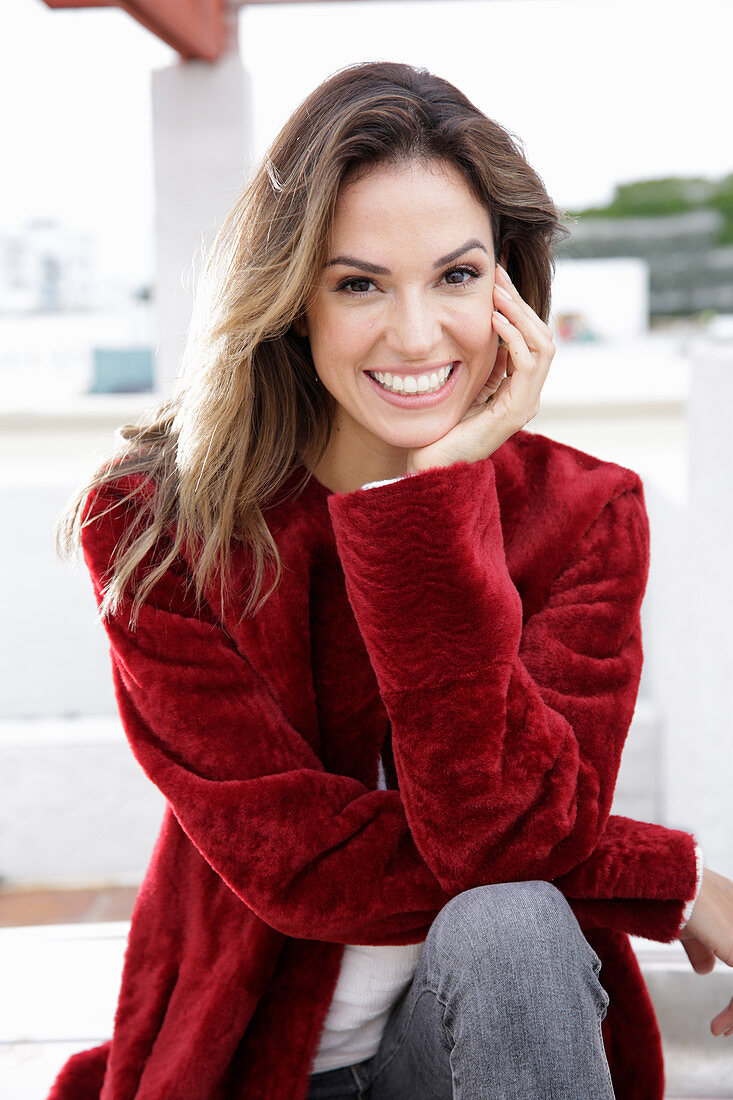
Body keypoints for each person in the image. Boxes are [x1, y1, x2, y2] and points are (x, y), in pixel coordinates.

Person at [49, 61, 732, 1100]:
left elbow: (510, 840)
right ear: (292, 299)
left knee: (512, 915)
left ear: (510, 282)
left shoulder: (583, 516)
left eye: (456, 276)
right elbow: (297, 858)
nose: (415, 336)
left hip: (482, 1050)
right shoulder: (157, 523)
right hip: (250, 1068)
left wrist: (435, 502)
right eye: (358, 282)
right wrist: (665, 876)